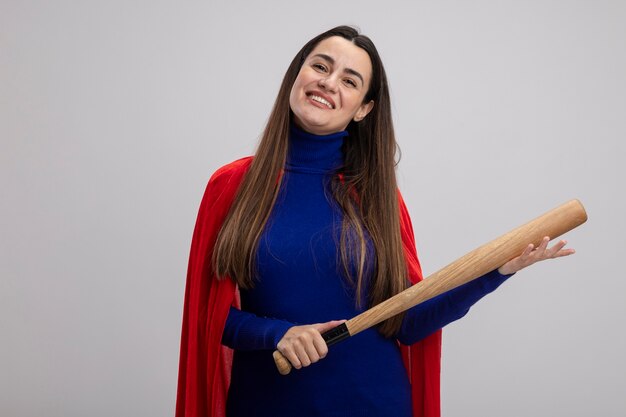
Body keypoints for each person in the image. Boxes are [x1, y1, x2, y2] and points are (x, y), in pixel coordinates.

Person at [175, 26, 574, 417]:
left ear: (364, 108)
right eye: (320, 67)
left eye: (350, 81)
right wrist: (278, 334)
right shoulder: (231, 186)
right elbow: (208, 318)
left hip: (373, 404)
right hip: (263, 405)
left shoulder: (376, 198)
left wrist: (496, 271)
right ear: (297, 74)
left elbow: (406, 321)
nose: (329, 83)